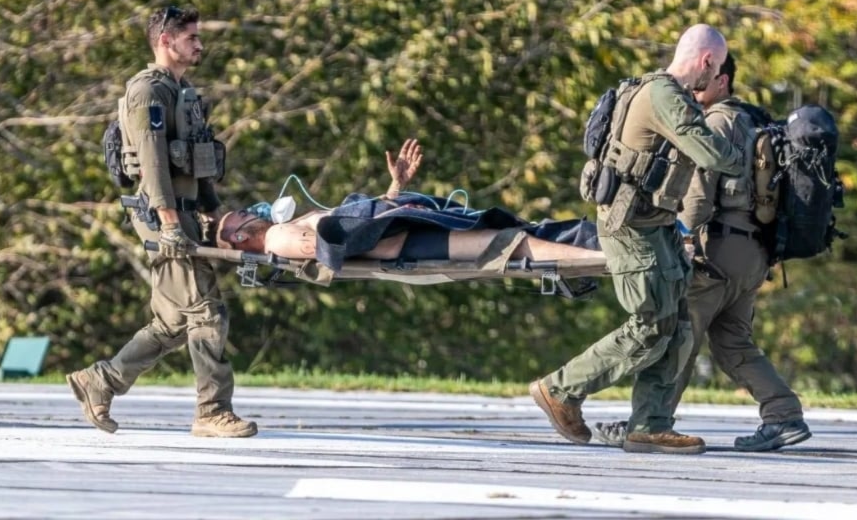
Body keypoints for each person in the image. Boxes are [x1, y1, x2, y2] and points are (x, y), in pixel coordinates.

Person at [529, 24, 744, 454]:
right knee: (649, 324)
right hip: (631, 229)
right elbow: (712, 154)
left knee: (676, 320)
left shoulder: (653, 90)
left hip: (655, 224)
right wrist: (741, 153)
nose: (714, 79)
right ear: (706, 62)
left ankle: (650, 423)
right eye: (716, 68)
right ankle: (561, 389)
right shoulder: (664, 95)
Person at [594, 54, 812, 452]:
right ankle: (784, 416)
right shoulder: (755, 119)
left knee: (679, 331)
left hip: (720, 249)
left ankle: (647, 423)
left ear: (722, 82)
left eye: (703, 82)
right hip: (754, 253)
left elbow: (697, 197)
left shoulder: (717, 123)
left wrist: (678, 236)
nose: (694, 90)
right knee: (733, 343)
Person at [67, 5, 257, 438]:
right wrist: (170, 222)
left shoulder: (183, 92)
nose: (200, 45)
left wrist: (213, 213)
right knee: (206, 312)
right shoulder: (148, 92)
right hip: (161, 214)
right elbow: (152, 164)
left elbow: (198, 161)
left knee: (173, 323)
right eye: (192, 38)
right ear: (165, 41)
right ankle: (212, 411)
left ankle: (100, 380)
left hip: (185, 213)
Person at [216, 138, 606, 265]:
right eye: (243, 216)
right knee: (511, 244)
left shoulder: (284, 227)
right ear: (237, 238)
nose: (252, 211)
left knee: (516, 232)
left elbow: (355, 227)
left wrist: (394, 190)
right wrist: (391, 221)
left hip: (401, 227)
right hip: (408, 242)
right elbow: (335, 247)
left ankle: (601, 241)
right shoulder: (278, 239)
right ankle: (602, 257)